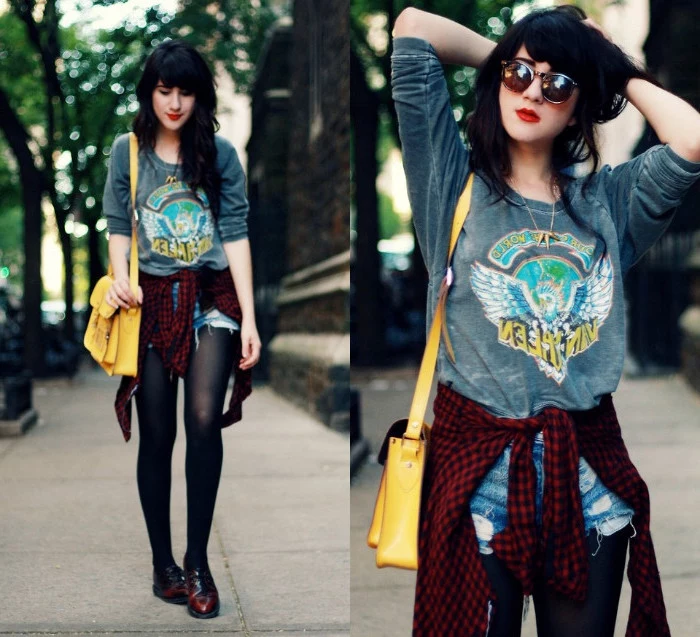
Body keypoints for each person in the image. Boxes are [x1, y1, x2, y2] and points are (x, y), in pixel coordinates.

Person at [390, 6, 700, 637]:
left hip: (586, 470)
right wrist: (516, 52)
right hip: (479, 473)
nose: (534, 91)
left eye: (558, 84)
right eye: (521, 74)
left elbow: (691, 139)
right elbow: (413, 27)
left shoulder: (608, 203)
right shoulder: (451, 185)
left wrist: (608, 64)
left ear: (580, 106)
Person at [103, 40, 261, 620]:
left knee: (202, 420)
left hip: (212, 297)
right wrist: (120, 275)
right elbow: (119, 223)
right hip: (151, 302)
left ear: (200, 95)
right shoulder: (130, 152)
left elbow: (237, 232)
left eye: (185, 91)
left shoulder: (218, 154)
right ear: (150, 92)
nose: (174, 102)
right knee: (158, 435)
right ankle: (162, 564)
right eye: (164, 90)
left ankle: (198, 562)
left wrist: (249, 317)